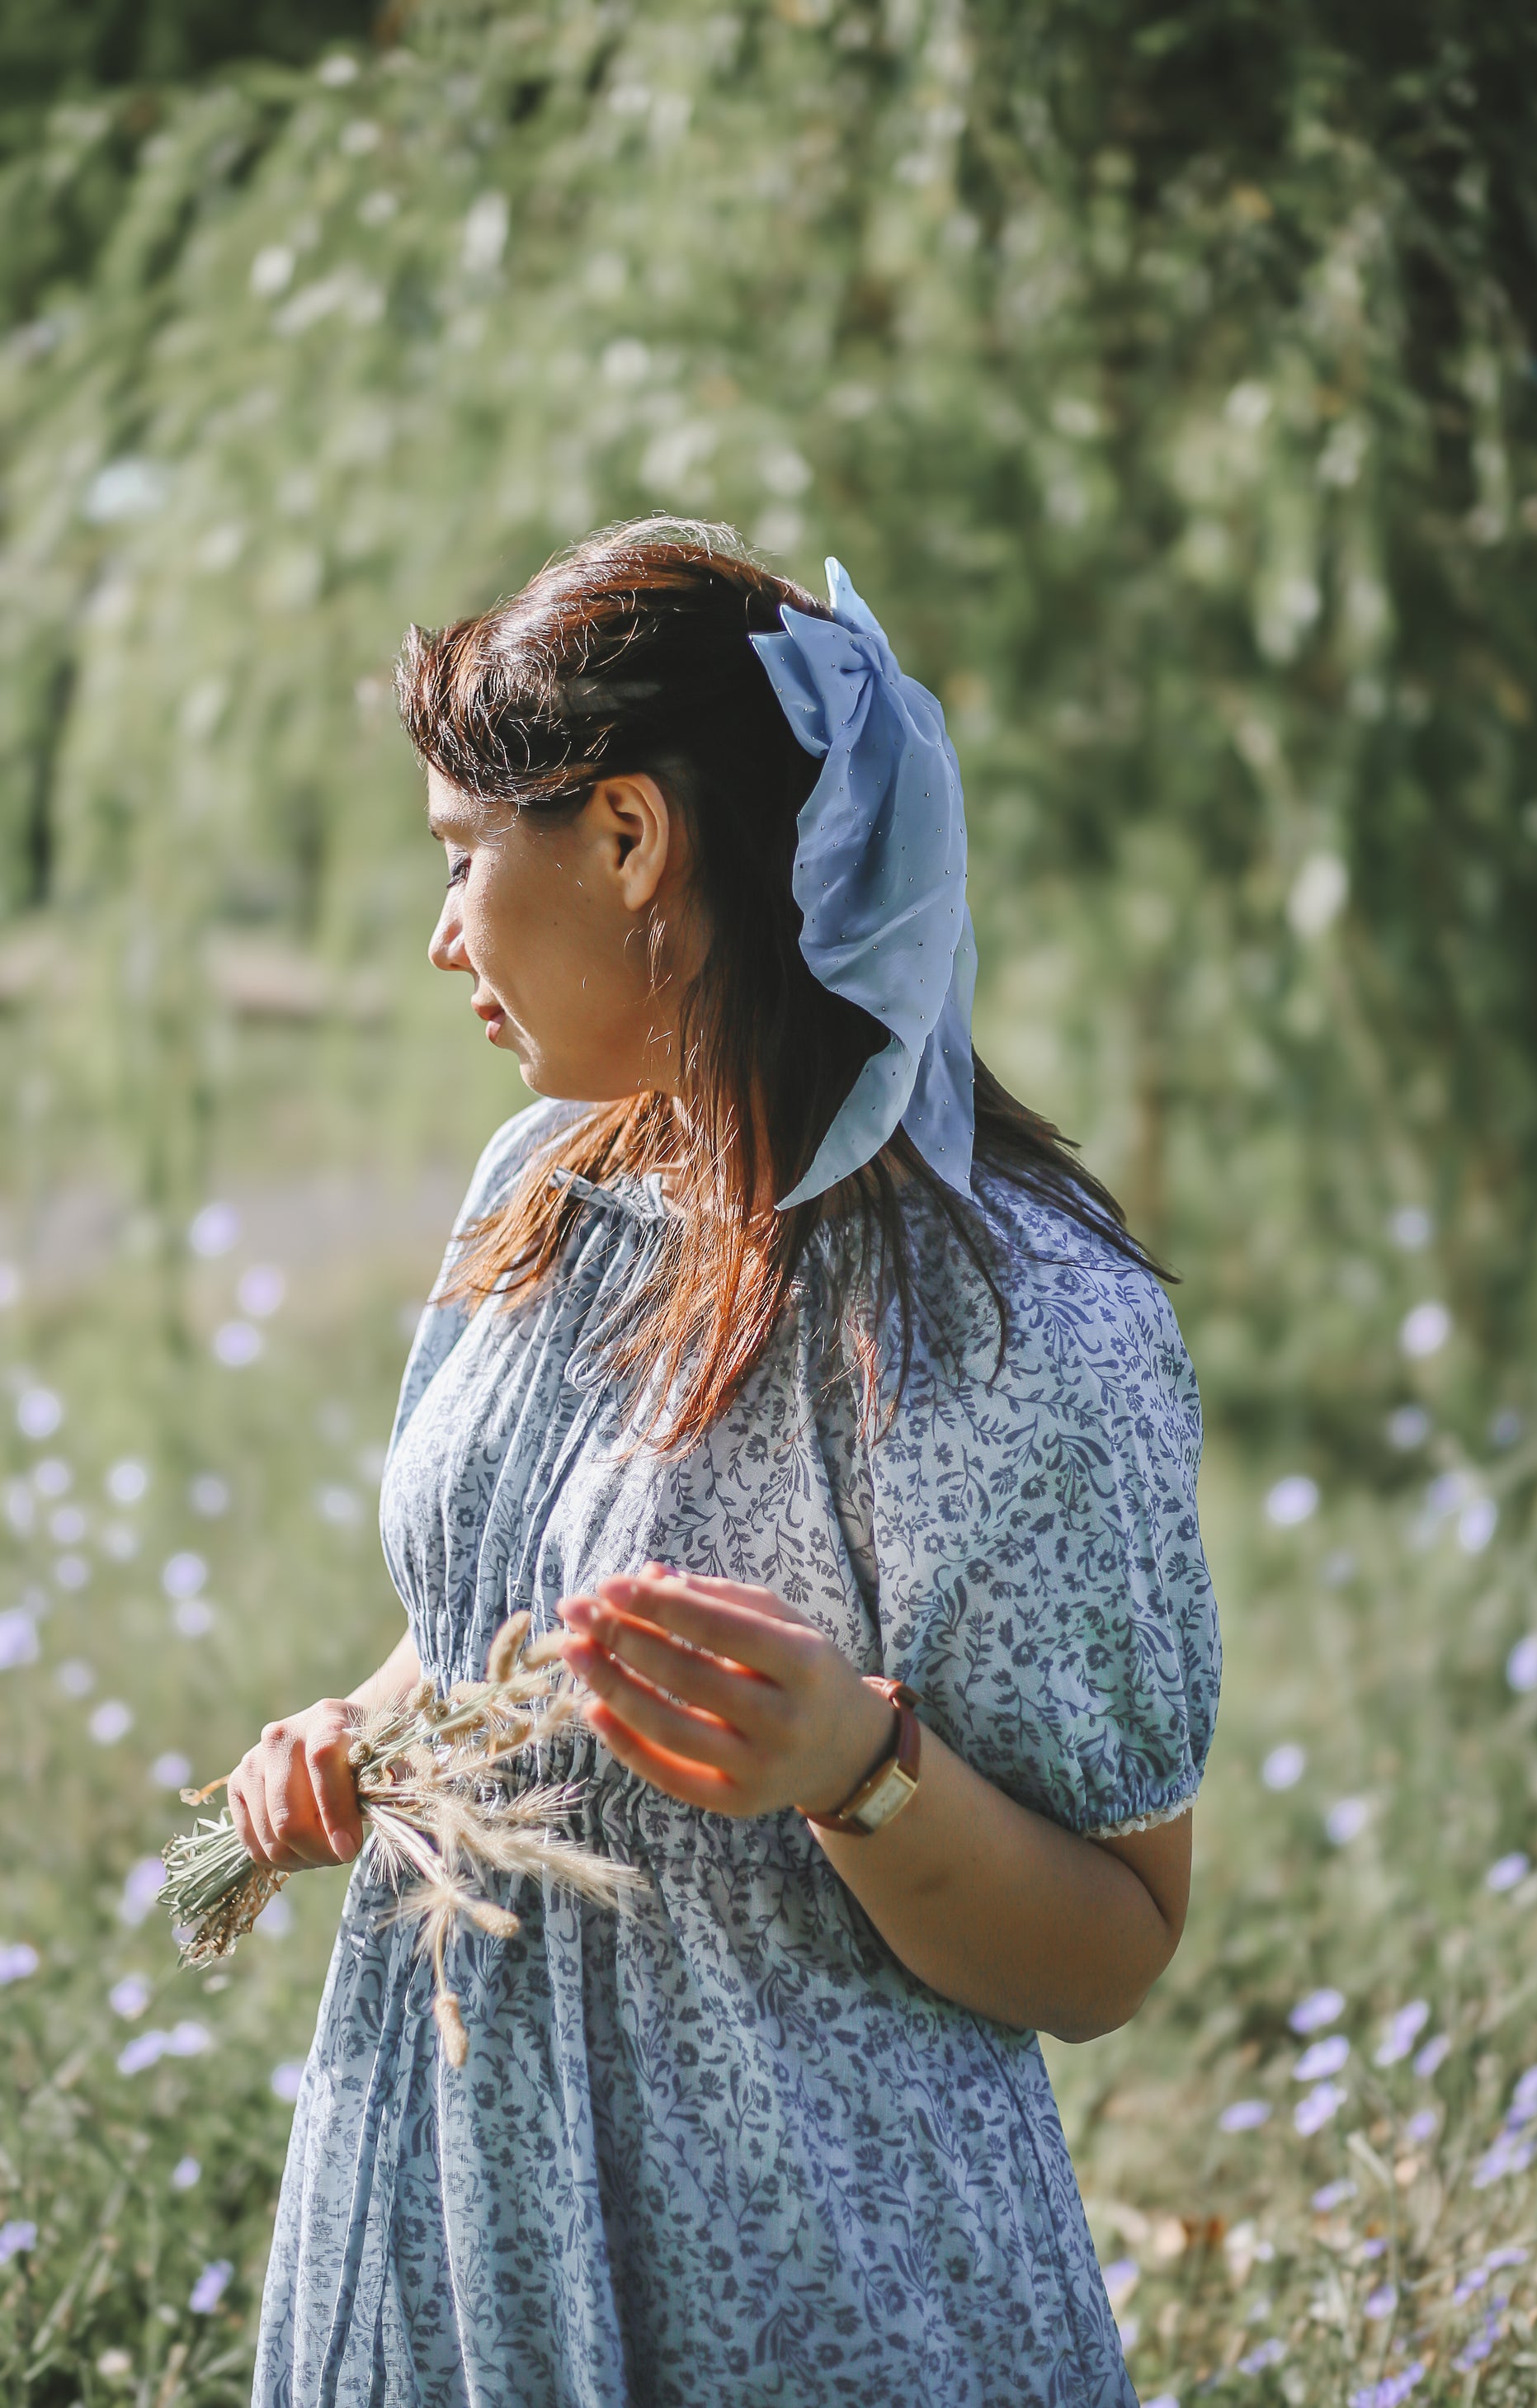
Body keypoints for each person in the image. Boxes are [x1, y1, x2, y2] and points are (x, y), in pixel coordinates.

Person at [230, 520, 1220, 2408]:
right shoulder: (538, 1186)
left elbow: (1118, 1942)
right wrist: (361, 1734)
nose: (441, 927)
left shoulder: (1015, 1327)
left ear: (625, 837)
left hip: (798, 2297)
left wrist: (860, 1769)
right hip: (450, 2219)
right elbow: (488, 1610)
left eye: (461, 853)